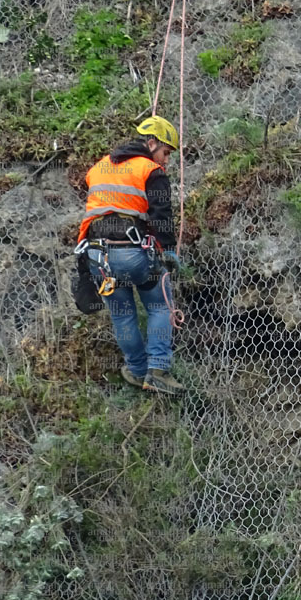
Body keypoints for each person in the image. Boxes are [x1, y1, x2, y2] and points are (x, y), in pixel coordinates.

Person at [77, 116, 185, 395]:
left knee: (122, 315)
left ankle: (136, 371)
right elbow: (162, 214)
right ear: (151, 144)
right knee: (160, 306)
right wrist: (169, 250)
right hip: (132, 255)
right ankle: (158, 369)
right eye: (165, 152)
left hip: (97, 258)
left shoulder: (99, 167)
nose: (166, 161)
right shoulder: (150, 170)